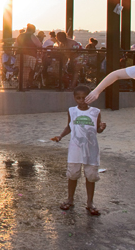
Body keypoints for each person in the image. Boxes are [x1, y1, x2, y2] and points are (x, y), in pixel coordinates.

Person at [51, 85, 106, 216]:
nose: (82, 101)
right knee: (73, 174)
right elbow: (69, 126)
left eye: (84, 98)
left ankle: (90, 202)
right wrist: (60, 136)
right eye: (78, 98)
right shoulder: (71, 111)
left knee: (91, 176)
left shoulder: (95, 112)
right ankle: (70, 199)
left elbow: (97, 129)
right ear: (74, 98)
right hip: (75, 149)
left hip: (91, 149)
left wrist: (102, 128)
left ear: (90, 98)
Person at [15, 24, 41, 89]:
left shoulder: (20, 35)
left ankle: (19, 85)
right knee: (26, 71)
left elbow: (16, 45)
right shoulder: (32, 36)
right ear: (33, 30)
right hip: (29, 55)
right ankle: (23, 86)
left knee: (21, 71)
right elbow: (39, 45)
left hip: (19, 55)